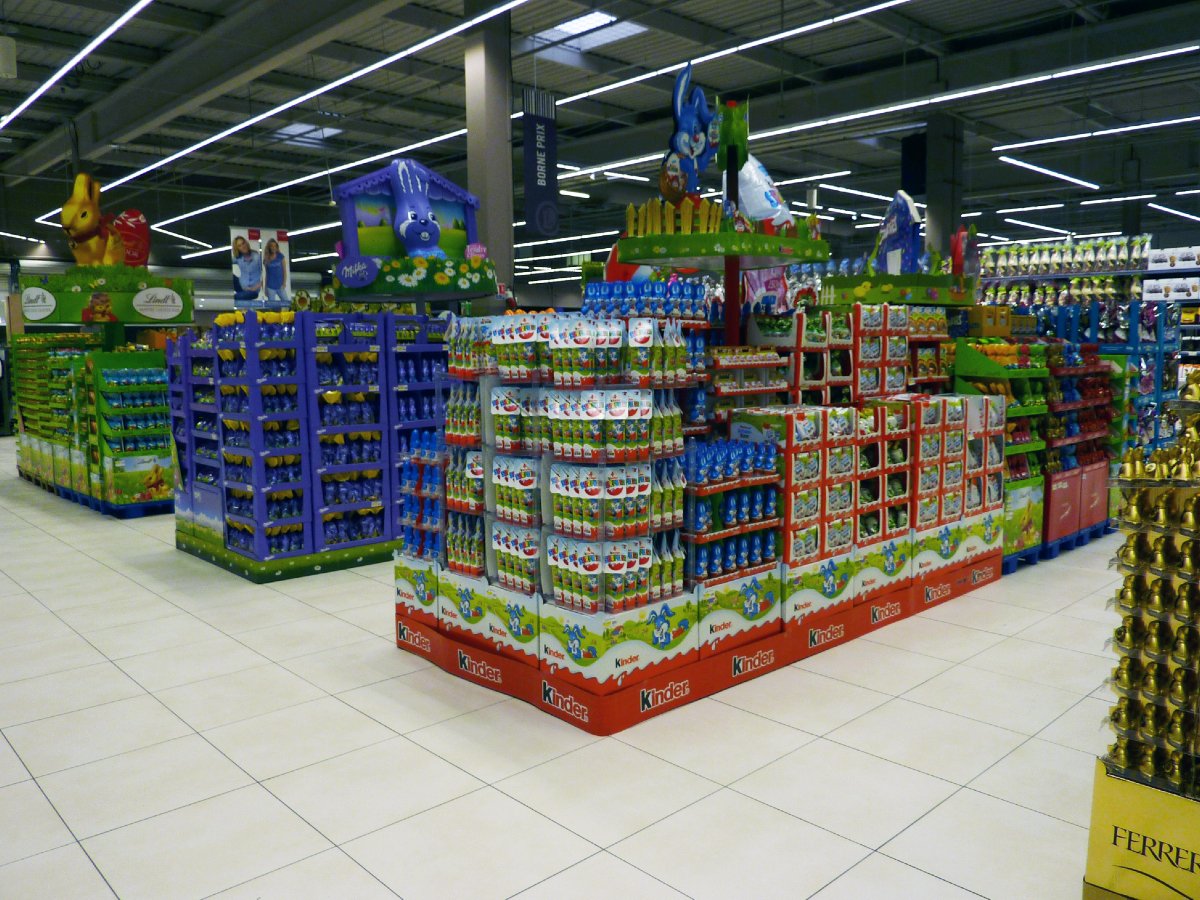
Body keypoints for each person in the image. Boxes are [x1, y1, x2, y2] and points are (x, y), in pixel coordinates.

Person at [231, 236, 263, 307]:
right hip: (241, 286)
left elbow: (267, 274)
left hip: (252, 291)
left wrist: (257, 286)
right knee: (229, 275)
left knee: (235, 297)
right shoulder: (238, 258)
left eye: (243, 243)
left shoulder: (257, 257)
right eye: (239, 246)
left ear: (246, 243)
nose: (243, 246)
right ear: (237, 249)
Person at [263, 239, 290, 309]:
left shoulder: (281, 257)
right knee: (271, 307)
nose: (273, 248)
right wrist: (265, 288)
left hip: (280, 285)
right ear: (269, 247)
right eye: (271, 246)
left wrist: (284, 283)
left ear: (277, 247)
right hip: (270, 286)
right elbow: (267, 274)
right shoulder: (266, 259)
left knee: (286, 303)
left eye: (275, 246)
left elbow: (284, 271)